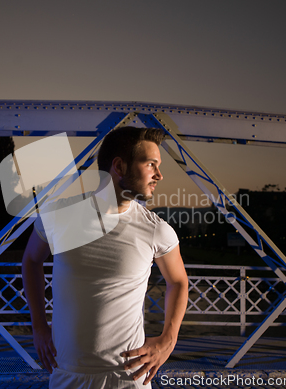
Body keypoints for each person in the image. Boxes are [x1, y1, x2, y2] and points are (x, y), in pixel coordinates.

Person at [22, 126, 188, 388]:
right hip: (67, 374)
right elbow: (31, 261)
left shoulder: (156, 229)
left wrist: (169, 338)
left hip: (128, 377)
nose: (159, 175)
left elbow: (178, 281)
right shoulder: (58, 217)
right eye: (151, 164)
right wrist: (39, 327)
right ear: (120, 167)